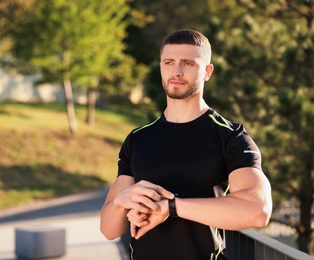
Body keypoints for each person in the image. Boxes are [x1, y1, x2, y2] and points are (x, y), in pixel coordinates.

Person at [100, 29, 272, 260]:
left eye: (188, 63)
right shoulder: (138, 139)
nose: (176, 71)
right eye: (169, 62)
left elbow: (258, 212)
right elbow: (109, 230)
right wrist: (122, 201)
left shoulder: (231, 137)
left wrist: (170, 207)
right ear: (161, 66)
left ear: (207, 72)